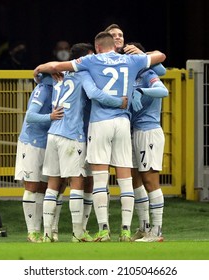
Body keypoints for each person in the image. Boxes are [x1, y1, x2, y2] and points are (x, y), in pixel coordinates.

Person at [34, 31, 166, 242]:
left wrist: (40, 68)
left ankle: (104, 230)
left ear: (96, 48)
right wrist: (142, 54)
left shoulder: (91, 60)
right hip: (123, 123)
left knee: (100, 179)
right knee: (125, 178)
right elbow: (161, 57)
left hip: (99, 123)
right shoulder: (130, 60)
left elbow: (59, 67)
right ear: (113, 46)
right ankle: (125, 230)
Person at [41, 42, 127, 242]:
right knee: (77, 182)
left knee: (53, 184)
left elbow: (41, 73)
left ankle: (47, 233)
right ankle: (77, 233)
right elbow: (94, 94)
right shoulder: (84, 74)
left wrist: (38, 70)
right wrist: (119, 102)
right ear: (87, 57)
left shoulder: (60, 75)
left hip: (53, 133)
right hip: (72, 135)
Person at [125, 42, 169, 242]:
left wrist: (142, 92)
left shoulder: (147, 73)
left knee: (150, 180)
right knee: (136, 180)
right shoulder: (129, 76)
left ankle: (157, 232)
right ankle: (144, 228)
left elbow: (163, 91)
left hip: (148, 131)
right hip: (134, 131)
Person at [14, 74, 63, 243]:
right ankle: (32, 231)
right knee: (32, 186)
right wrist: (50, 117)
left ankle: (50, 230)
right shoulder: (43, 89)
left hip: (50, 141)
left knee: (47, 187)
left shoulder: (59, 89)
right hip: (32, 142)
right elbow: (30, 116)